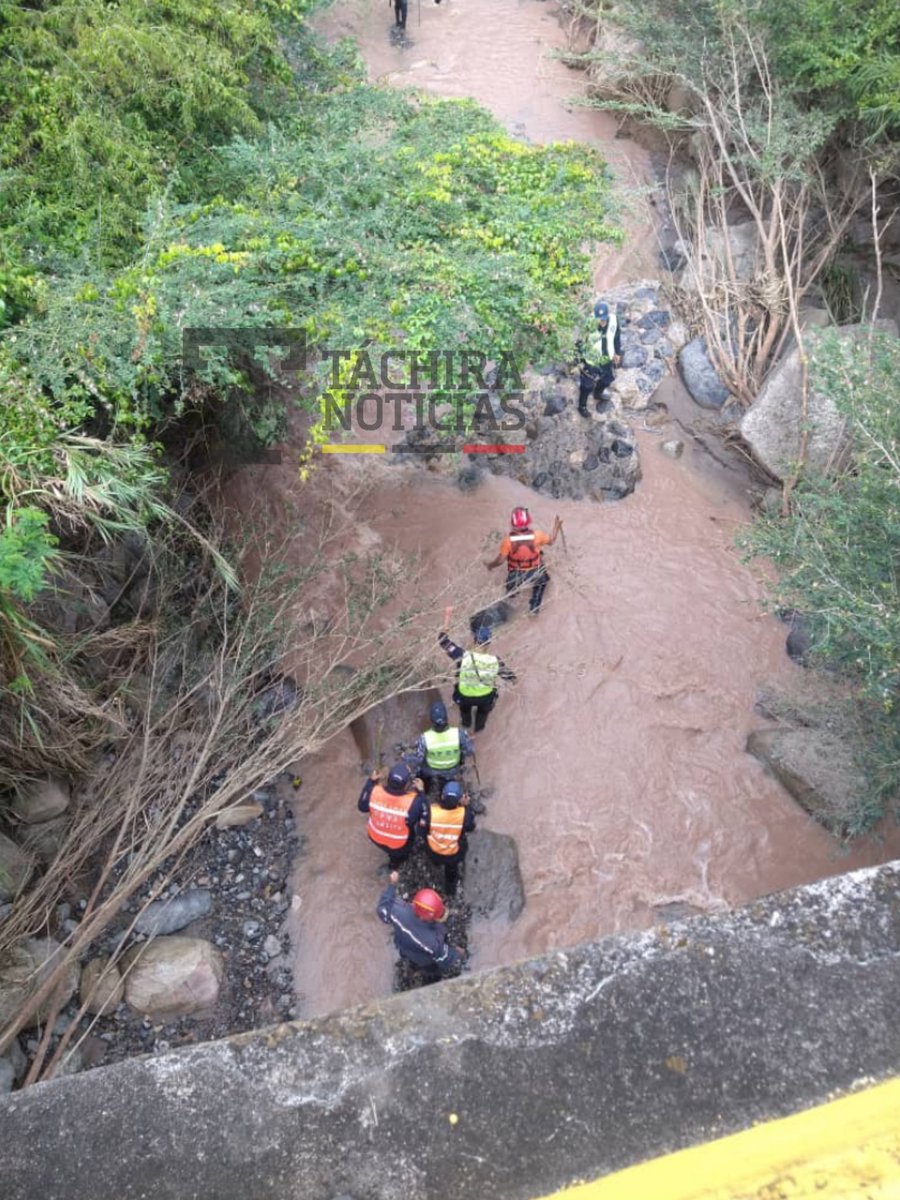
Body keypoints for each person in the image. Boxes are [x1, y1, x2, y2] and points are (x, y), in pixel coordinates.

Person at [439, 606, 516, 733]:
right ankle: (478, 729)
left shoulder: (462, 656)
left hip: (464, 696)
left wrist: (447, 616)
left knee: (465, 713)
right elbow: (509, 676)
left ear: (475, 641)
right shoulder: (495, 661)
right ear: (489, 643)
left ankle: (466, 724)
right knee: (482, 716)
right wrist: (515, 680)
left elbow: (443, 641)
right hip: (485, 697)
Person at [376, 871, 463, 983]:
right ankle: (428, 977)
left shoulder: (397, 911)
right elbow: (443, 958)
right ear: (426, 918)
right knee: (431, 969)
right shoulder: (432, 942)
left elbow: (382, 909)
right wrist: (456, 953)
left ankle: (412, 969)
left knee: (408, 957)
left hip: (404, 945)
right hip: (423, 957)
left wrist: (392, 885)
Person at [485, 506, 561, 616]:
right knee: (542, 583)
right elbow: (552, 540)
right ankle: (534, 609)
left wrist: (490, 565)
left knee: (511, 594)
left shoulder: (508, 541)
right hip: (536, 571)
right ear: (528, 522)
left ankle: (510, 604)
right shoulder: (537, 535)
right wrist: (556, 527)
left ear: (513, 524)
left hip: (516, 574)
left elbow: (500, 561)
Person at [357, 761, 425, 869]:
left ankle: (393, 860)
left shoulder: (375, 791)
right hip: (399, 844)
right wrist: (421, 792)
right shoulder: (413, 801)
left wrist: (371, 781)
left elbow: (362, 807)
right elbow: (422, 817)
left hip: (374, 837)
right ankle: (395, 864)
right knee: (410, 829)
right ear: (407, 785)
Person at [422, 780, 475, 896]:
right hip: (452, 854)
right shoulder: (463, 815)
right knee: (451, 872)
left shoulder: (431, 811)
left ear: (442, 796)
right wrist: (467, 807)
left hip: (433, 851)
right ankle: (450, 892)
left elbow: (422, 831)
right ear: (460, 800)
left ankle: (435, 864)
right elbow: (470, 827)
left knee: (435, 859)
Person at [412, 700, 475, 794]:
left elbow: (418, 758)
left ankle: (425, 790)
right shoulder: (459, 733)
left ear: (431, 720)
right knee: (447, 782)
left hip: (432, 769)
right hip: (453, 768)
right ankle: (447, 791)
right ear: (446, 718)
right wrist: (469, 741)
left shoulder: (424, 738)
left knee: (420, 769)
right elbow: (469, 751)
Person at [577, 300, 622, 417]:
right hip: (591, 360)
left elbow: (616, 337)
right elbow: (580, 343)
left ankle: (598, 393)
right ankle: (582, 406)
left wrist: (617, 353)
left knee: (607, 379)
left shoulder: (613, 320)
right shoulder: (589, 325)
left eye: (604, 318)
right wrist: (580, 362)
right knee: (586, 386)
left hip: (607, 358)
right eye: (600, 319)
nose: (602, 321)